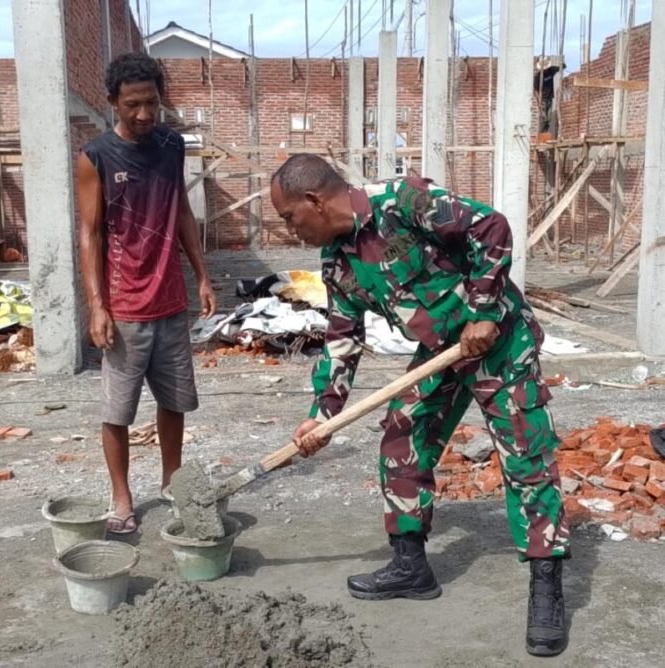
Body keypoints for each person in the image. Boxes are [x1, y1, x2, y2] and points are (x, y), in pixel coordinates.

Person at [270, 154, 570, 657]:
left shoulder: (402, 203)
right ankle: (411, 566)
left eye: (288, 218)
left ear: (315, 201)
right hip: (441, 353)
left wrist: (482, 310)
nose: (289, 231)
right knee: (402, 434)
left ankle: (547, 587)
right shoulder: (338, 264)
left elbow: (491, 228)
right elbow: (342, 340)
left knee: (525, 456)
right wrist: (322, 415)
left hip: (499, 340)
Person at [74, 52, 216, 535]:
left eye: (152, 103)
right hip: (124, 307)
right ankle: (121, 496)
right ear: (112, 101)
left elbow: (181, 214)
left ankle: (172, 483)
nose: (143, 114)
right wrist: (96, 307)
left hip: (171, 302)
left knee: (173, 400)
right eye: (132, 104)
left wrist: (201, 275)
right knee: (117, 412)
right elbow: (90, 234)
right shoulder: (95, 157)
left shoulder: (172, 146)